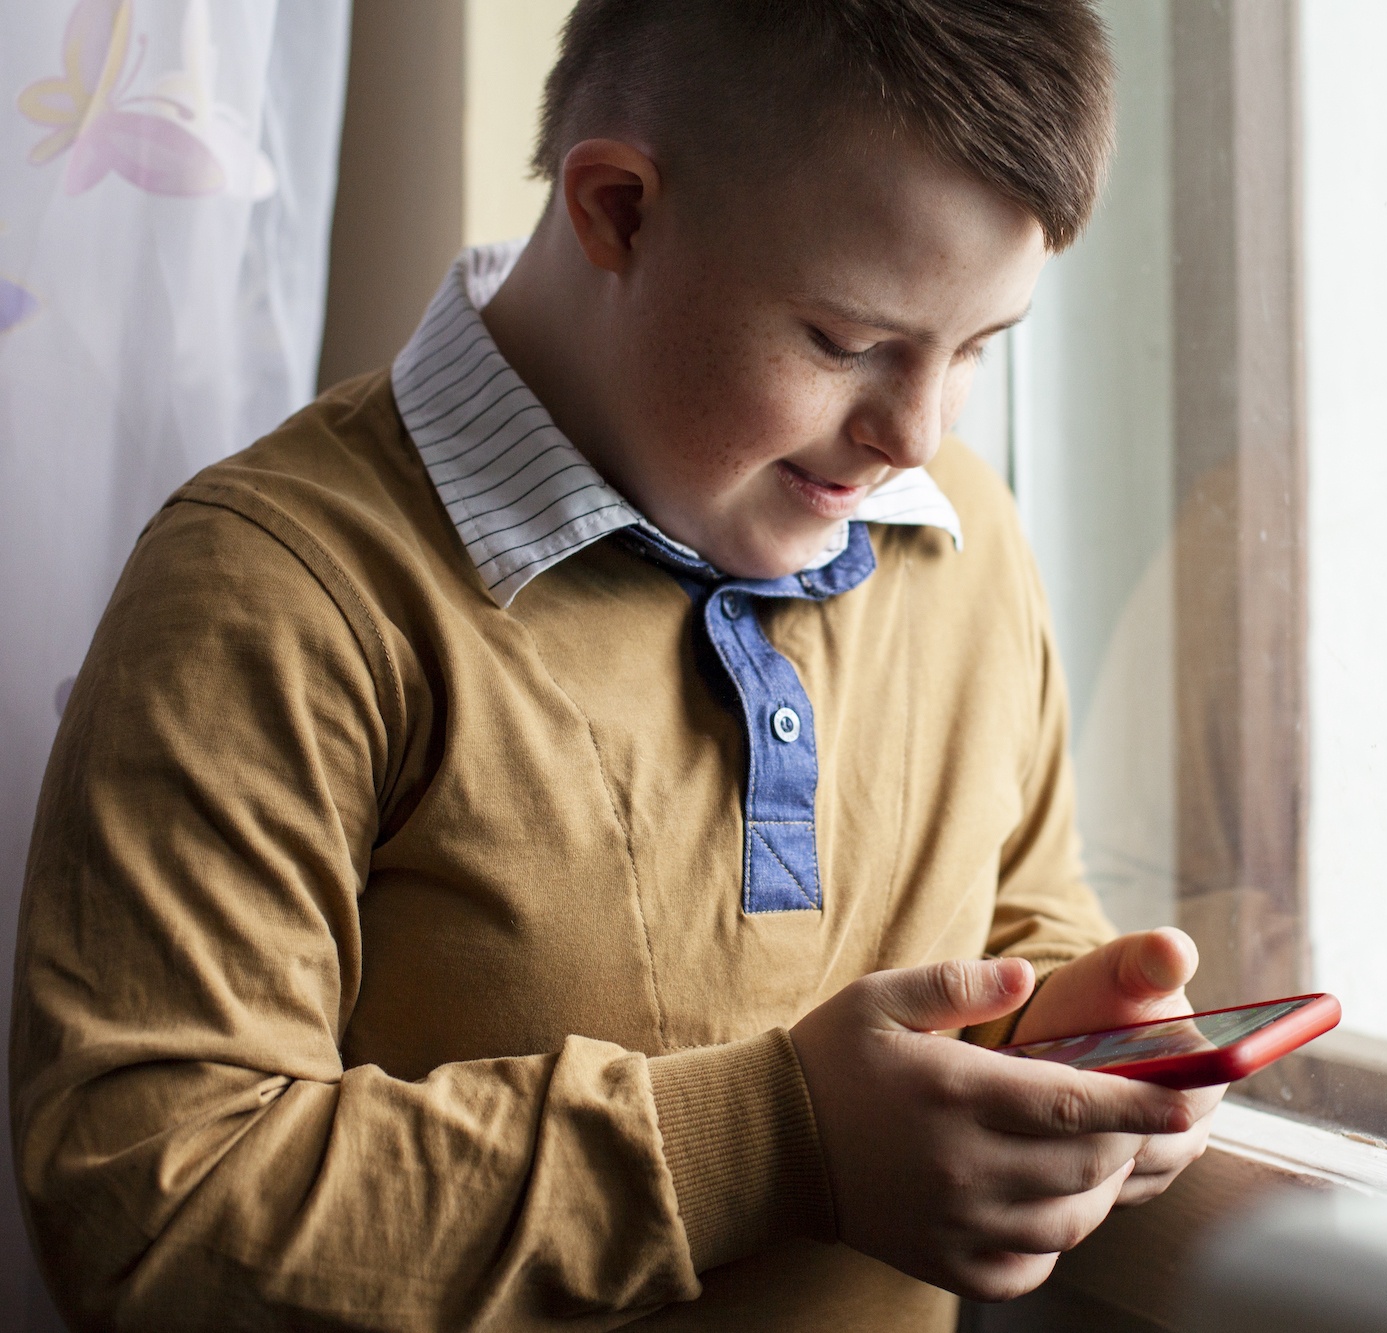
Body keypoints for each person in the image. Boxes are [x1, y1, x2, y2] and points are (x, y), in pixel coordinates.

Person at [9, 2, 1224, 1328]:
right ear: (618, 210)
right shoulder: (272, 592)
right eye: (846, 340)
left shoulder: (963, 541)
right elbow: (152, 1219)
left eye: (981, 346)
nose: (915, 433)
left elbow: (1017, 917)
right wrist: (782, 1137)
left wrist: (1084, 1039)